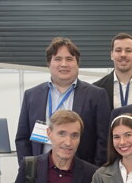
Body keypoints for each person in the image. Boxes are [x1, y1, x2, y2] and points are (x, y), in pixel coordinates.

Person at [15, 36, 110, 166]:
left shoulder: (96, 95)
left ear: (77, 63)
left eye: (69, 59)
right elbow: (22, 139)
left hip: (82, 174)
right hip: (41, 172)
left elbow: (104, 140)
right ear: (49, 63)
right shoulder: (32, 95)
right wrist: (29, 170)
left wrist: (96, 173)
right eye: (58, 59)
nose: (64, 64)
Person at [93, 33, 132, 110]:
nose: (123, 55)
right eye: (118, 50)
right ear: (112, 55)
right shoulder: (97, 88)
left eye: (128, 50)